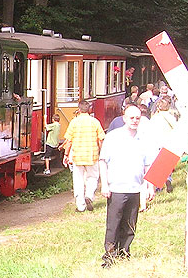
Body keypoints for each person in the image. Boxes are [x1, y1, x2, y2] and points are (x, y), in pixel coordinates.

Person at [99, 103, 155, 267]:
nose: (135, 121)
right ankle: (109, 256)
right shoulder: (113, 137)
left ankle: (124, 253)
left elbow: (147, 165)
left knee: (130, 224)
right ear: (124, 118)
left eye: (138, 118)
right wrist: (104, 185)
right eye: (132, 118)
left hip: (135, 188)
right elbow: (103, 162)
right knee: (113, 224)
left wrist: (149, 186)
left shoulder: (143, 139)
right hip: (116, 188)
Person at [62, 100, 105, 212]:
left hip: (77, 156)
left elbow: (69, 141)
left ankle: (80, 206)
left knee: (78, 180)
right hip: (92, 155)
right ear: (89, 109)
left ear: (79, 109)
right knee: (92, 177)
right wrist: (101, 152)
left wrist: (66, 155)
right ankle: (89, 195)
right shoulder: (95, 122)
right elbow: (101, 139)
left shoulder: (74, 122)